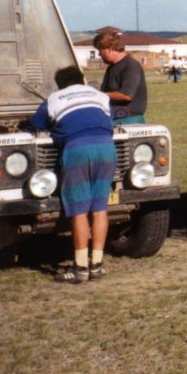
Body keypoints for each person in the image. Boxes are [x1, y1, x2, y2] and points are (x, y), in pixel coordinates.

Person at [27, 66, 115, 283]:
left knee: (79, 211)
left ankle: (80, 267)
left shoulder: (54, 98)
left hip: (77, 150)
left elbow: (36, 124)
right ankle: (97, 264)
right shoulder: (100, 95)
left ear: (60, 84)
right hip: (107, 148)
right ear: (82, 80)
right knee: (100, 209)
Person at [93, 30, 148, 124]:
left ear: (109, 48)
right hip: (113, 118)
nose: (99, 54)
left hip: (129, 120)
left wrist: (99, 95)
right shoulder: (111, 67)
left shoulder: (130, 66)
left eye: (100, 50)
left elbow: (126, 95)